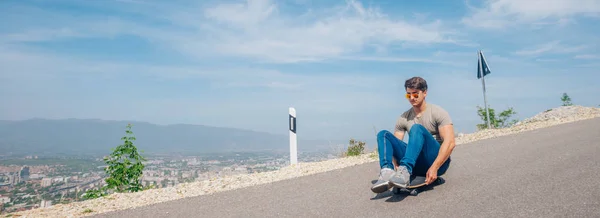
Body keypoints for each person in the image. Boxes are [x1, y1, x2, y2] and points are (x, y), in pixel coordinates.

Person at [371, 76, 456, 194]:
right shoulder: (404, 117)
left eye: (415, 94)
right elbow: (396, 146)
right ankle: (387, 172)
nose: (411, 98)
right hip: (415, 162)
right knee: (383, 134)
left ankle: (406, 169)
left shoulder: (438, 112)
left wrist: (435, 167)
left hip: (436, 161)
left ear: (425, 92)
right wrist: (396, 168)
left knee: (417, 129)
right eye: (408, 95)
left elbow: (450, 143)